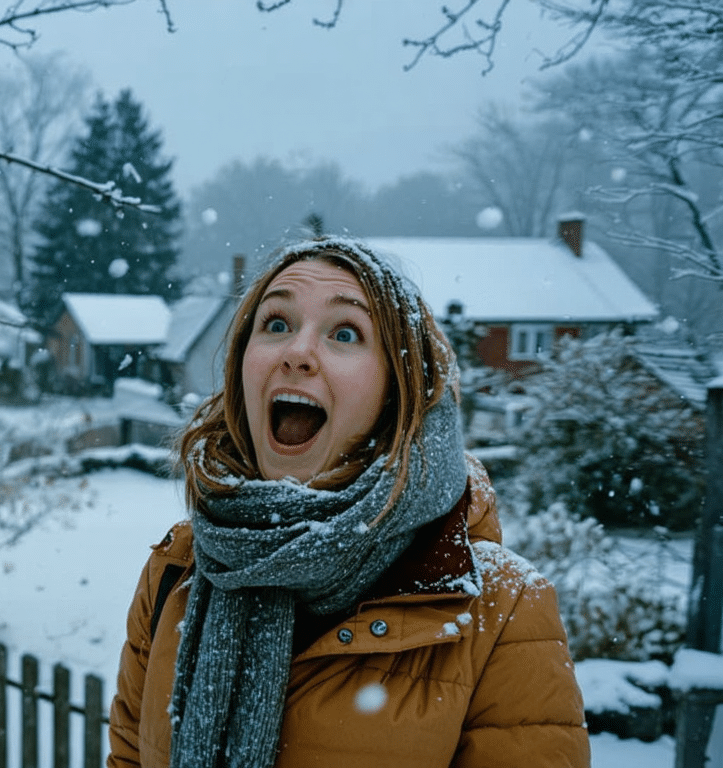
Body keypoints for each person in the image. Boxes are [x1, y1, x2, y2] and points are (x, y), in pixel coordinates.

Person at [107, 238, 589, 768]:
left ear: (398, 390)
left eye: (344, 333)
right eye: (276, 324)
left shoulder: (502, 611)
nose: (297, 352)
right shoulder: (178, 568)